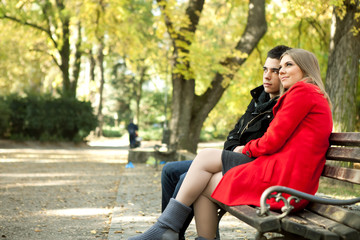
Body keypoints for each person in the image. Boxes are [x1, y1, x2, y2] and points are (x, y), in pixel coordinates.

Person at [128, 48, 333, 240]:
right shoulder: (307, 94)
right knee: (205, 184)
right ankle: (169, 229)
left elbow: (272, 140)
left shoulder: (302, 92)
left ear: (305, 68)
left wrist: (246, 148)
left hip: (285, 186)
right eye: (281, 67)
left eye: (288, 66)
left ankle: (166, 228)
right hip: (286, 179)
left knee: (206, 158)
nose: (281, 72)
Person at [160, 45, 291, 240]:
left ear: (283, 74)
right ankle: (171, 233)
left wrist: (241, 151)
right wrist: (233, 148)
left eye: (274, 71)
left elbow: (269, 144)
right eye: (265, 69)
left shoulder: (284, 105)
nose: (267, 76)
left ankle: (168, 232)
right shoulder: (258, 99)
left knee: (187, 176)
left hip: (252, 165)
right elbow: (234, 133)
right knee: (170, 170)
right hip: (233, 157)